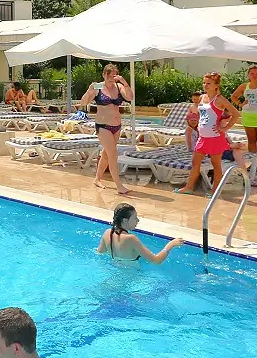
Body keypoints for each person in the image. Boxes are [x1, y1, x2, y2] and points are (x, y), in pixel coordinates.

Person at [175, 73, 240, 194]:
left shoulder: (220, 100)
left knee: (216, 165)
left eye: (208, 83)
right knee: (195, 162)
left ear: (216, 85)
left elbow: (236, 114)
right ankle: (189, 187)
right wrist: (199, 126)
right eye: (204, 83)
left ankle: (215, 190)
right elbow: (201, 114)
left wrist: (225, 128)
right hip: (203, 137)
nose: (205, 85)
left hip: (215, 137)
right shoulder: (202, 97)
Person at [75, 63, 134, 195]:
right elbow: (84, 102)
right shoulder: (98, 87)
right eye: (109, 76)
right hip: (103, 126)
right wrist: (89, 91)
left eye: (114, 76)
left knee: (107, 154)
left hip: (116, 126)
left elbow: (130, 97)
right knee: (113, 153)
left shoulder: (119, 87)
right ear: (104, 75)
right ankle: (119, 185)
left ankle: (97, 179)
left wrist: (124, 82)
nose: (112, 78)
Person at [96, 203, 186, 263]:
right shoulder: (131, 238)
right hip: (131, 278)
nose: (138, 220)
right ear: (125, 220)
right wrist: (170, 245)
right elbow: (157, 260)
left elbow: (99, 253)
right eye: (135, 218)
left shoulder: (107, 233)